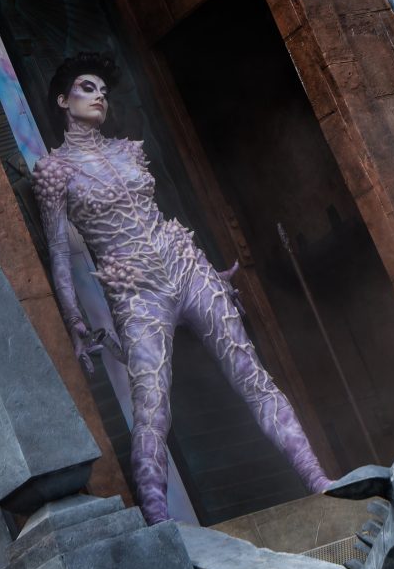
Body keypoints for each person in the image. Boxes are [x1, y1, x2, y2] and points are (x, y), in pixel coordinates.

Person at [28, 52, 331, 523]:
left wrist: (205, 266)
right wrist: (73, 319)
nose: (100, 95)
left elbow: (155, 214)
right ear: (63, 101)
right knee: (152, 407)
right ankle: (160, 524)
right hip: (135, 287)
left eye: (103, 90)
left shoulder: (129, 151)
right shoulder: (55, 171)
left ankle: (319, 481)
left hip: (184, 264)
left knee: (252, 375)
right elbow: (59, 254)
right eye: (88, 88)